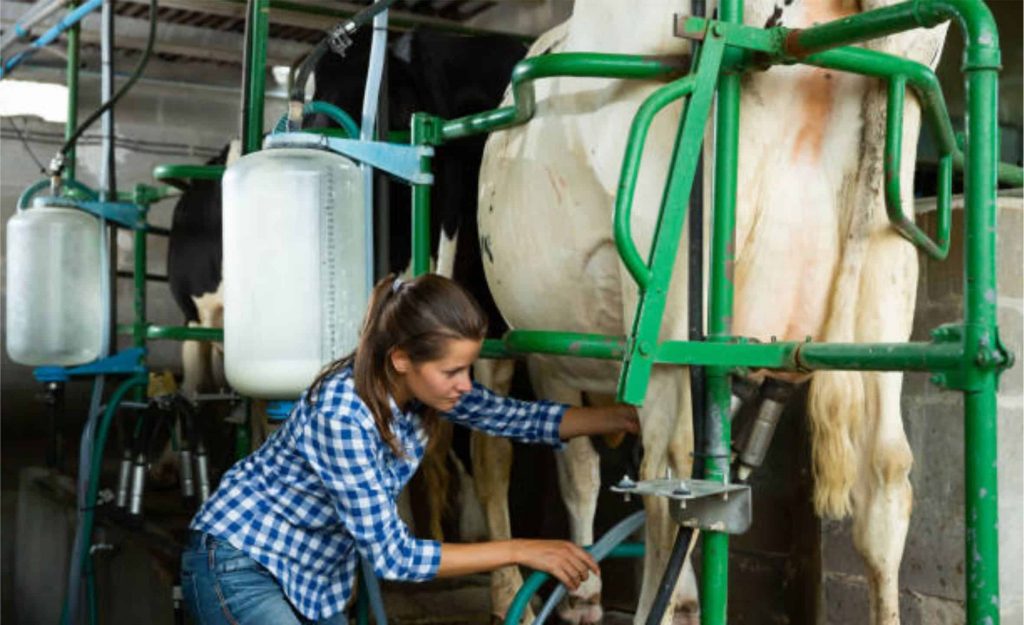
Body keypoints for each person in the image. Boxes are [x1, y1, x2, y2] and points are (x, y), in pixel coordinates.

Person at [181, 273, 640, 624]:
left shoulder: (420, 393)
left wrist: (619, 417)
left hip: (310, 576)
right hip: (242, 562)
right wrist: (522, 550)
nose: (465, 385)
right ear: (401, 358)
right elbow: (395, 557)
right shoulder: (344, 415)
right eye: (453, 371)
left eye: (468, 369)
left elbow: (517, 418)